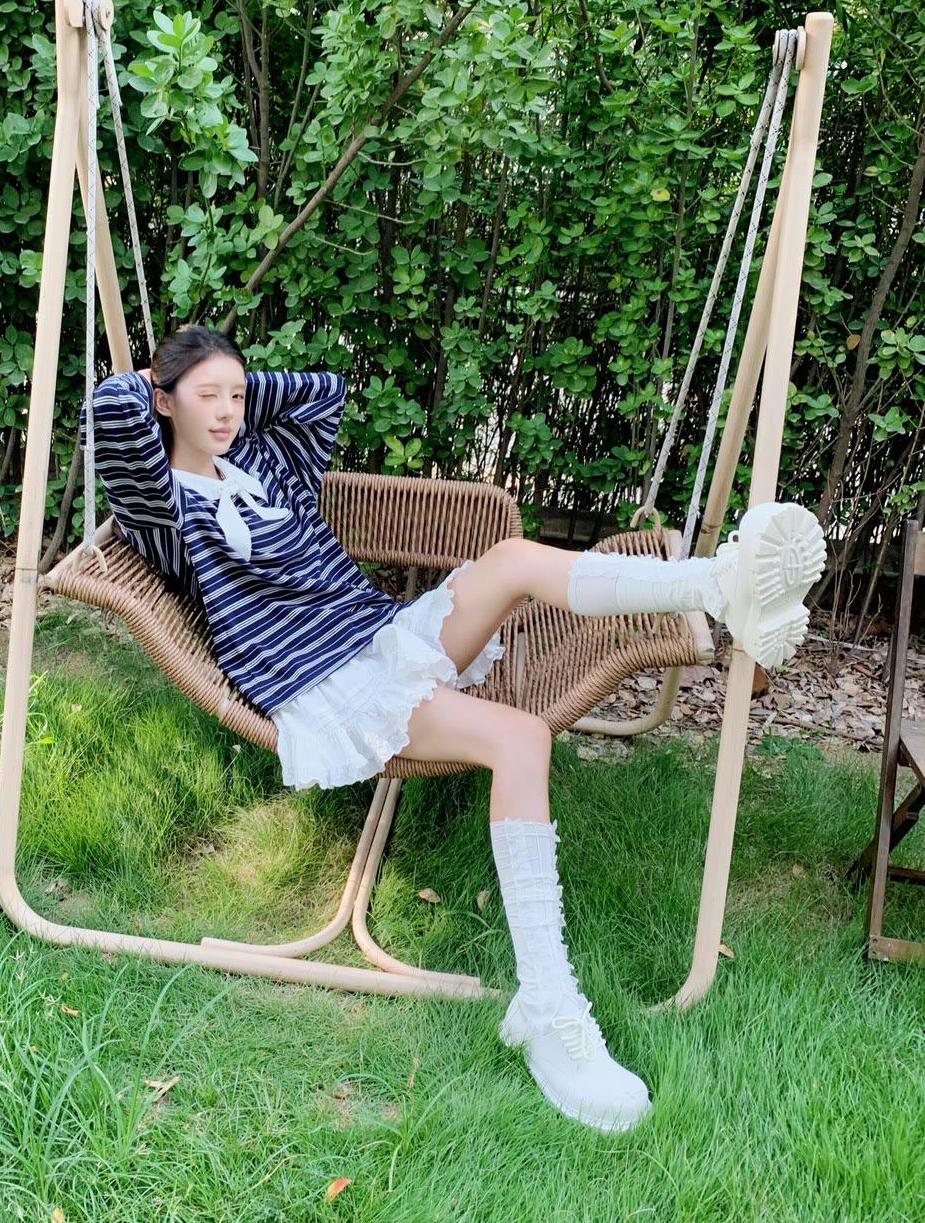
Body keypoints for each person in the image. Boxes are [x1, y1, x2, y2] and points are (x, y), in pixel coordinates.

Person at [79, 322, 826, 1134]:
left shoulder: (262, 460)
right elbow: (110, 410)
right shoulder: (161, 508)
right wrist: (163, 385)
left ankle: (716, 584)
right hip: (329, 687)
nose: (228, 411)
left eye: (238, 393)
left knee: (512, 559)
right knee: (521, 737)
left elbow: (324, 394)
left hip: (379, 637)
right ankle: (547, 1006)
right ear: (163, 402)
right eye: (208, 398)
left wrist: (223, 389)